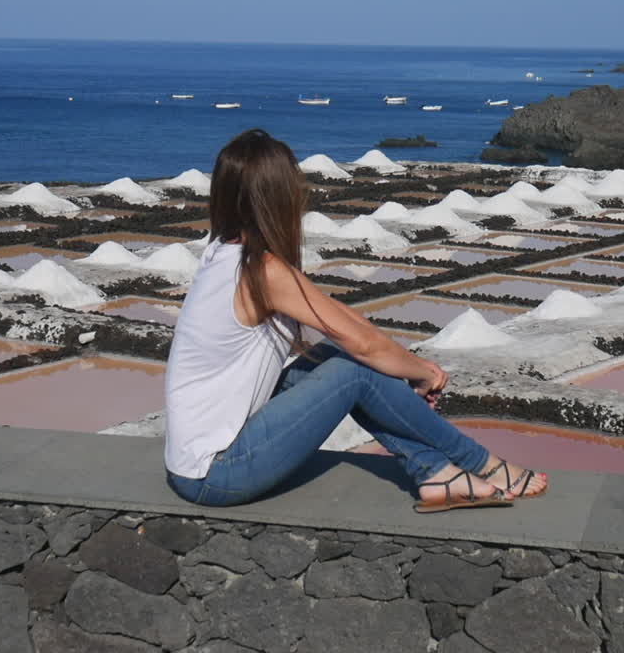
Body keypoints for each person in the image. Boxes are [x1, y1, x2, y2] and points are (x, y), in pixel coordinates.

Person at [163, 129, 548, 513]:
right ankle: (483, 464)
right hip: (216, 473)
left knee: (340, 356)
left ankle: (435, 472)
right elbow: (362, 346)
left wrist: (412, 365)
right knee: (354, 371)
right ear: (278, 199)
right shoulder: (260, 270)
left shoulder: (221, 252)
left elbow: (343, 323)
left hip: (204, 456)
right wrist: (424, 376)